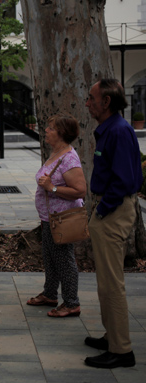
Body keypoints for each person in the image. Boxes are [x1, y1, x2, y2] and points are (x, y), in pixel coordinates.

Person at [83, 79, 142, 369]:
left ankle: (121, 350)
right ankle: (112, 337)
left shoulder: (118, 131)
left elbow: (125, 179)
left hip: (114, 210)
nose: (87, 102)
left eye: (91, 98)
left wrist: (103, 210)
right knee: (105, 283)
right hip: (110, 208)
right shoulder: (112, 129)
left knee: (112, 284)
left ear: (106, 102)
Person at [27, 114, 86, 317]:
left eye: (50, 128)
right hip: (49, 217)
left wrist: (52, 188)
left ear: (61, 133)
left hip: (62, 219)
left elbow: (80, 190)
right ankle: (50, 293)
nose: (46, 131)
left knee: (63, 260)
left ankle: (71, 303)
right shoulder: (56, 153)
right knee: (50, 257)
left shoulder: (69, 158)